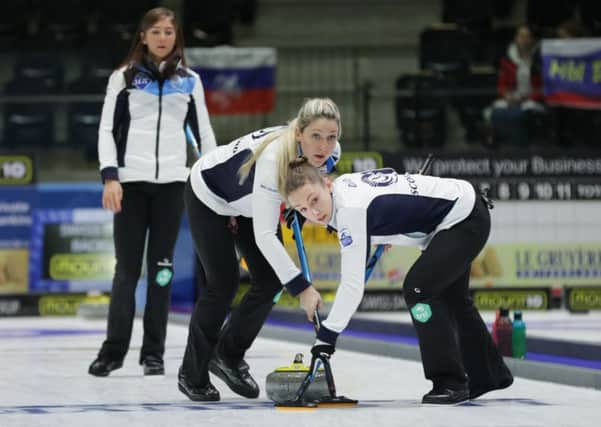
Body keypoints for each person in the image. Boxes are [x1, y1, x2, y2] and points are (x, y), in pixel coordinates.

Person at [281, 158, 513, 405]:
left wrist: (326, 337)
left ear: (327, 184)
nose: (313, 212)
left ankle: (450, 382)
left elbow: (352, 285)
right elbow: (388, 181)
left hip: (462, 219)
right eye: (303, 209)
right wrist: (389, 225)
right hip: (459, 211)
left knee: (418, 288)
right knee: (453, 298)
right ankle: (488, 375)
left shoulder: (350, 210)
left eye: (314, 200)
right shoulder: (344, 187)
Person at [178, 98, 341, 401]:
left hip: (250, 205)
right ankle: (192, 373)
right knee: (222, 284)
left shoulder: (330, 156)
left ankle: (227, 356)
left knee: (269, 281)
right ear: (299, 134)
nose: (324, 145)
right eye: (316, 136)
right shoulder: (273, 159)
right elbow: (266, 236)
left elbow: (313, 195)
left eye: (331, 137)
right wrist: (301, 287)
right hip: (210, 196)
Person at [89, 7, 217, 377]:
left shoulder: (191, 81)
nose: (163, 37)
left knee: (161, 271)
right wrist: (110, 177)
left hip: (172, 187)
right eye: (156, 31)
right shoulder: (123, 78)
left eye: (169, 32)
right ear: (143, 36)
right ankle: (112, 352)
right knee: (126, 272)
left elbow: (204, 134)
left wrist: (211, 178)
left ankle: (153, 354)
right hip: (130, 185)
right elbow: (105, 131)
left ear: (176, 38)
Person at [486, 24, 545, 146]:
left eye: (527, 37)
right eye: (520, 36)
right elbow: (501, 85)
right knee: (496, 112)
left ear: (532, 39)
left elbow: (542, 88)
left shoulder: (540, 60)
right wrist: (507, 95)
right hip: (511, 98)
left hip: (531, 100)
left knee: (518, 115)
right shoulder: (507, 59)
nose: (523, 40)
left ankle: (520, 149)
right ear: (515, 38)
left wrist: (525, 98)